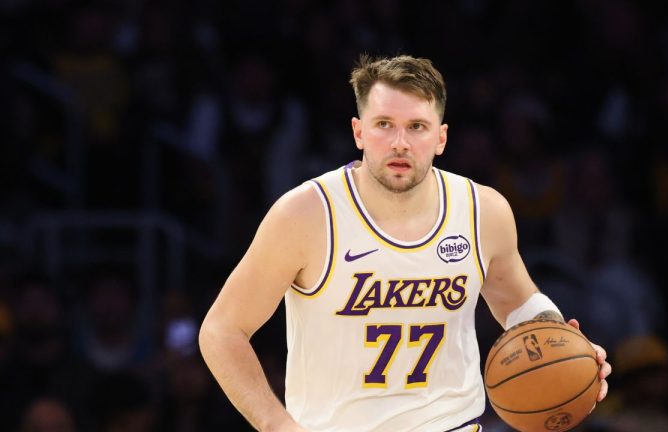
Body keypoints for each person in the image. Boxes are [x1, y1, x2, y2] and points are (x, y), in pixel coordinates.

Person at [199, 54, 611, 431]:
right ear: (359, 132)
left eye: (416, 127)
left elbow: (517, 302)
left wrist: (567, 347)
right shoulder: (305, 215)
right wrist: (276, 424)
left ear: (441, 137)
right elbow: (221, 330)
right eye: (384, 125)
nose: (400, 143)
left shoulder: (483, 210)